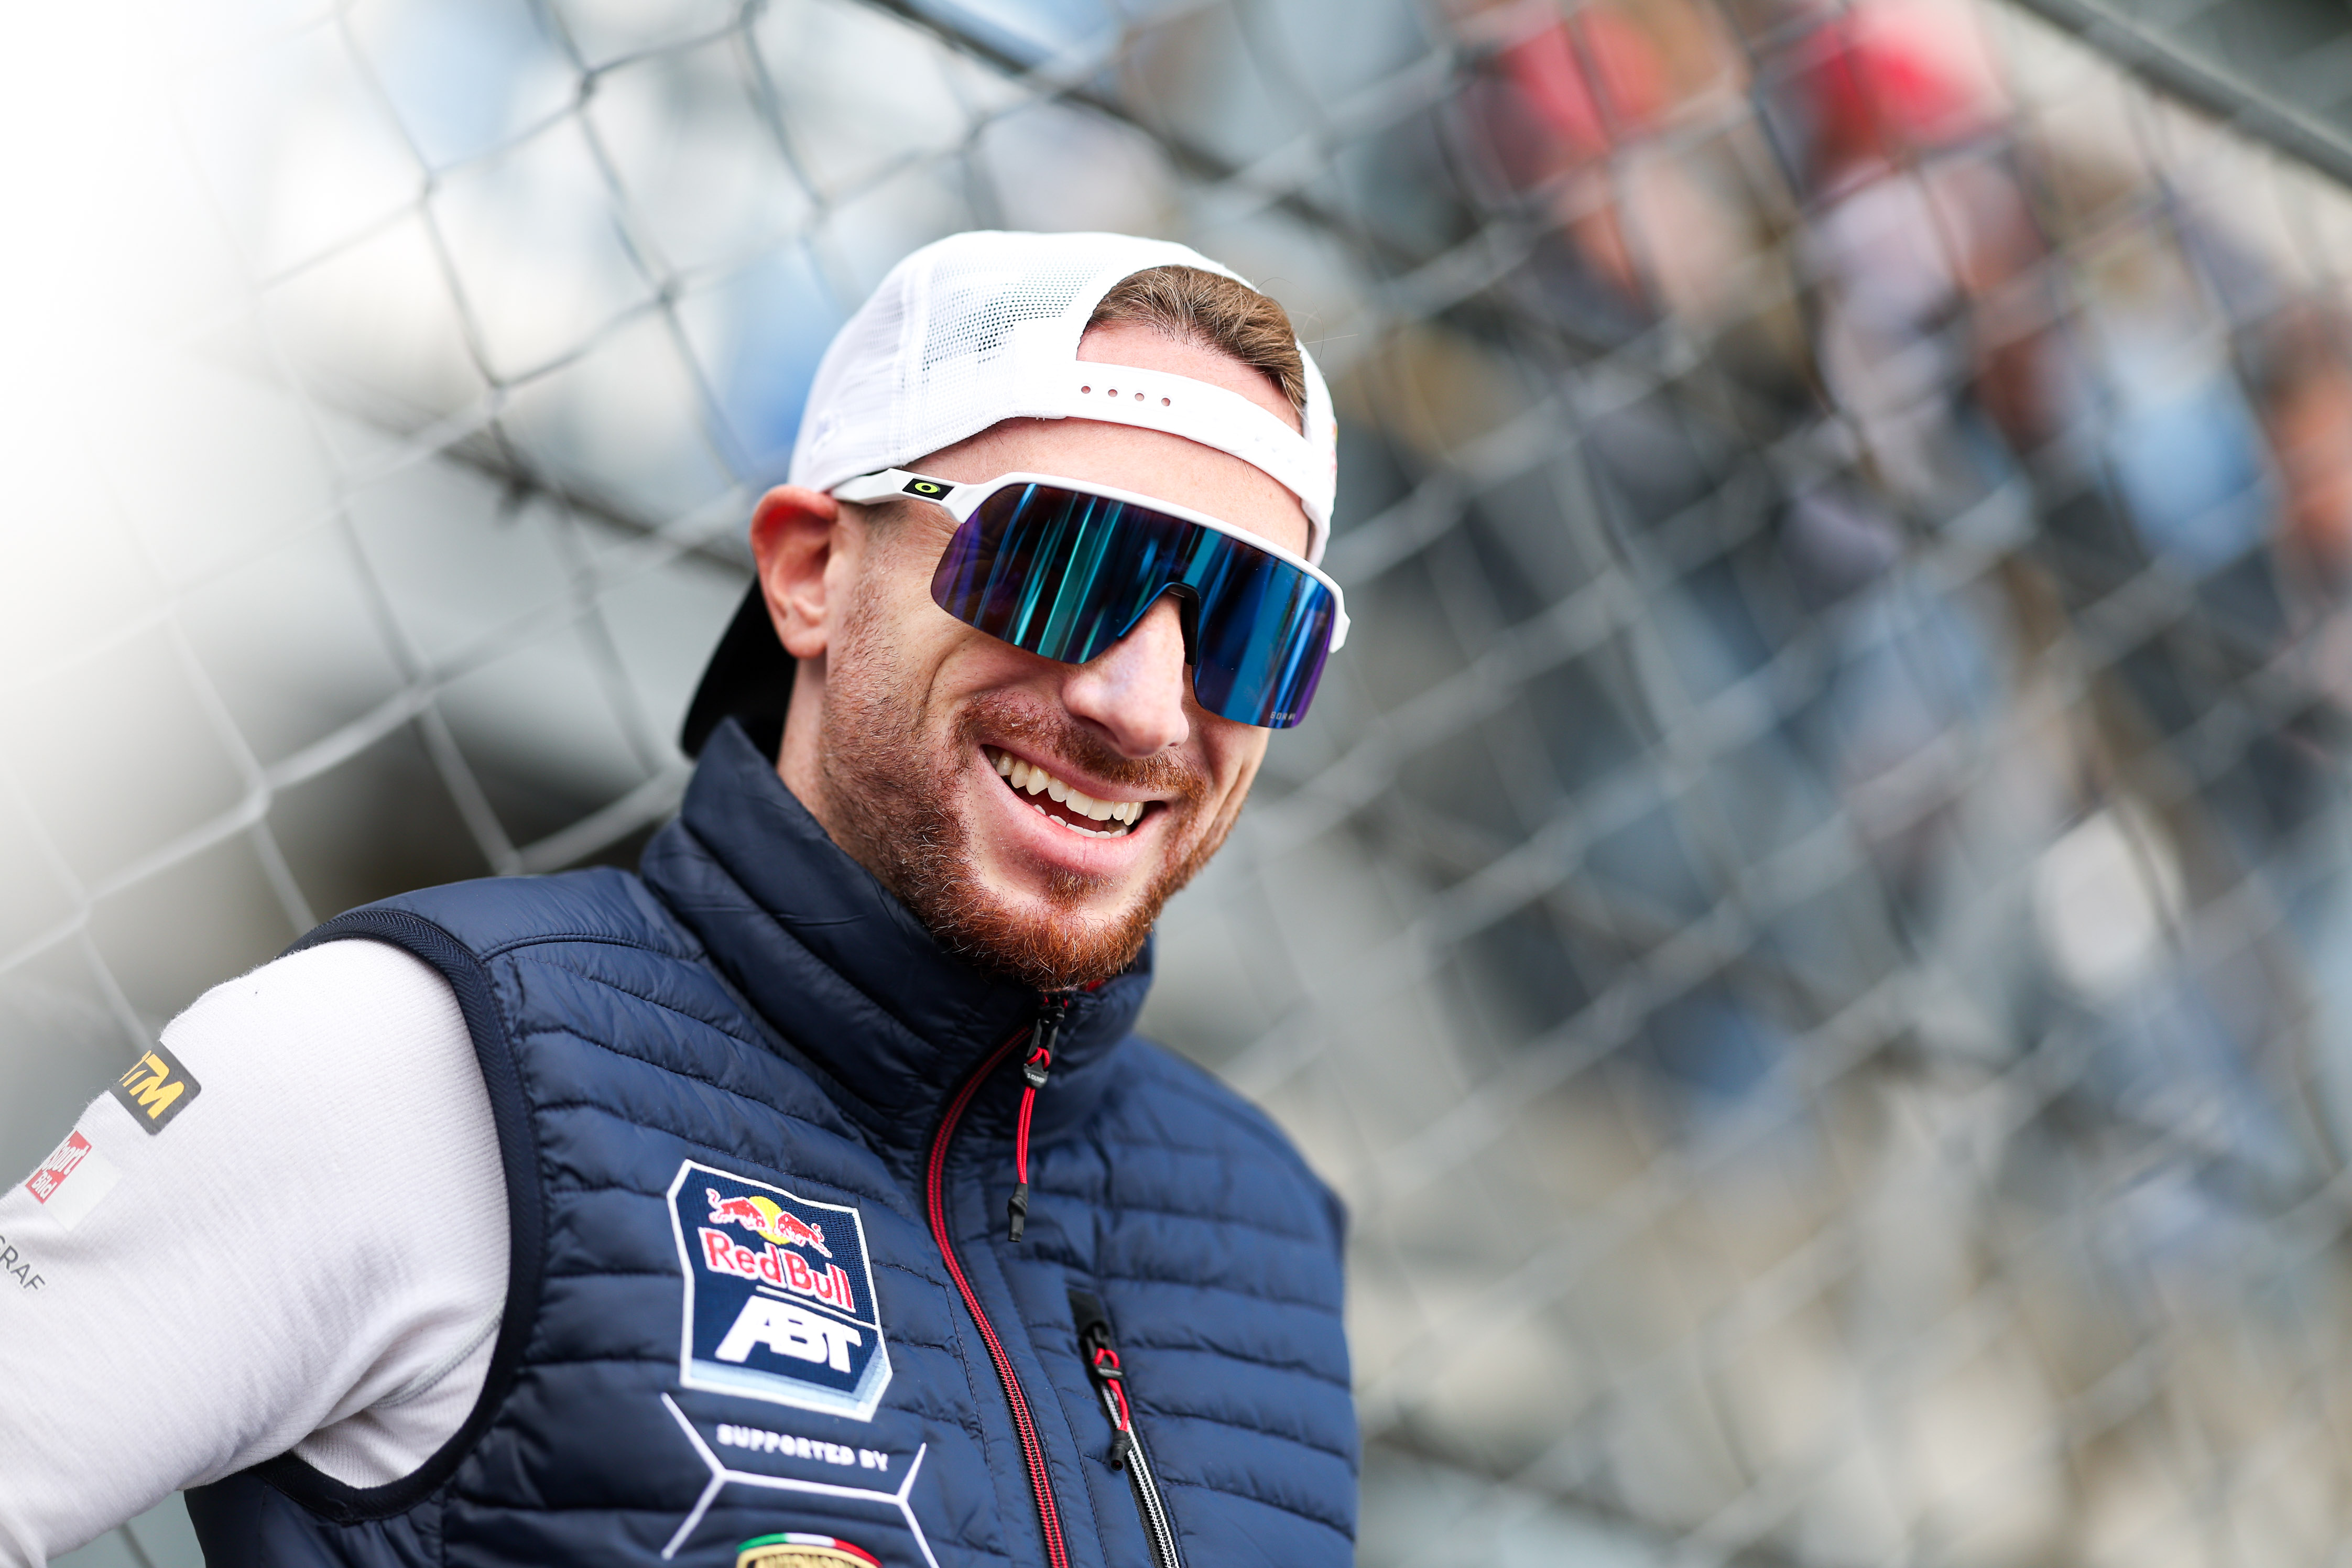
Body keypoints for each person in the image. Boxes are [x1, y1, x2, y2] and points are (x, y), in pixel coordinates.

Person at [0, 231, 1358, 1568]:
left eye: (1253, 628)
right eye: (1061, 564)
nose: (1144, 706)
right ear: (812, 572)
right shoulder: (411, 1063)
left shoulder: (1264, 1227)